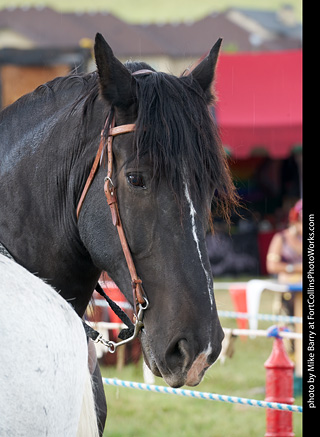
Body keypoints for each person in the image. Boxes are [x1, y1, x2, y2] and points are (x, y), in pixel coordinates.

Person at [266, 199, 302, 357]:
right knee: (288, 339)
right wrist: (295, 268)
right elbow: (272, 266)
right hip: (287, 295)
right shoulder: (282, 238)